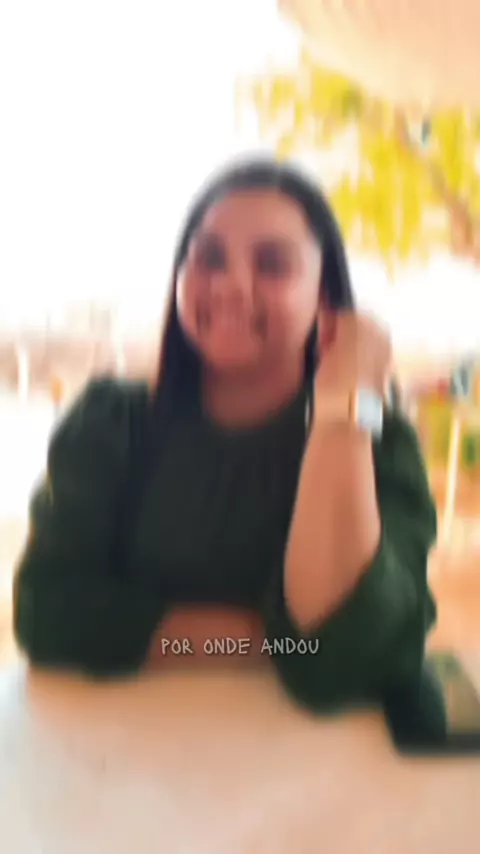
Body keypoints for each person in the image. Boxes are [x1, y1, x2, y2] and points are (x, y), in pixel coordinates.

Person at [13, 158, 446, 746]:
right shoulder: (109, 423)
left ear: (326, 298)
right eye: (209, 257)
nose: (229, 285)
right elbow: (48, 615)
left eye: (272, 264)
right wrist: (280, 642)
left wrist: (345, 404)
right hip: (119, 758)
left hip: (315, 775)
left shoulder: (379, 445)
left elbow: (349, 665)